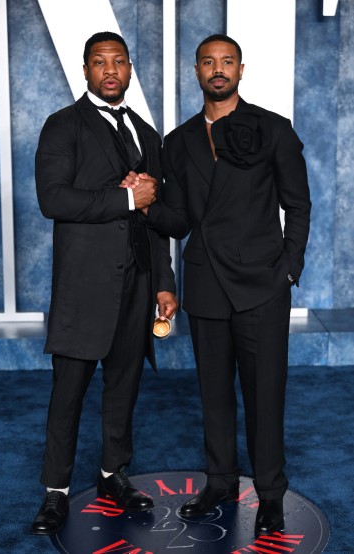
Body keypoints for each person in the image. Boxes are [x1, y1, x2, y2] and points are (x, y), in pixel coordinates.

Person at [144, 34, 311, 536]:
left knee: (266, 395)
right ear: (195, 71)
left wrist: (289, 268)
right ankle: (219, 482)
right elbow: (177, 220)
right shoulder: (178, 142)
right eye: (208, 62)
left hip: (263, 283)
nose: (218, 70)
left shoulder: (274, 129)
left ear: (241, 69)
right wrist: (146, 203)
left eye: (227, 62)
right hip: (207, 282)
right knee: (213, 393)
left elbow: (297, 205)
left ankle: (271, 494)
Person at [31, 31, 177, 536]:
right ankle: (55, 491)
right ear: (86, 70)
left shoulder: (146, 134)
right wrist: (122, 201)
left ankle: (114, 474)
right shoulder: (61, 126)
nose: (110, 70)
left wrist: (163, 283)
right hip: (84, 285)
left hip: (137, 285)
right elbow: (54, 200)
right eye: (100, 63)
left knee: (123, 387)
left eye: (118, 62)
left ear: (131, 69)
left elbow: (155, 219)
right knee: (67, 392)